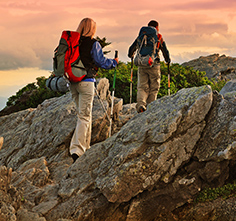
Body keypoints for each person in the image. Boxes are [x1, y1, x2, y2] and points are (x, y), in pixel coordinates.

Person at [69, 17, 118, 162]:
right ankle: (77, 150)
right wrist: (113, 63)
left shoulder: (73, 42)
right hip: (86, 81)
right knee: (84, 116)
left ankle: (86, 146)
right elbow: (100, 61)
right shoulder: (93, 43)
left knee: (83, 115)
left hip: (72, 82)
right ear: (92, 29)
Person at [128, 20, 170, 113]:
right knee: (154, 88)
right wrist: (168, 60)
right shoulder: (158, 37)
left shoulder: (141, 36)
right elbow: (165, 51)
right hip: (154, 64)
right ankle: (151, 108)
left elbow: (131, 49)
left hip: (142, 64)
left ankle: (141, 105)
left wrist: (131, 55)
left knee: (142, 87)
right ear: (157, 28)